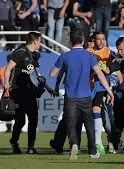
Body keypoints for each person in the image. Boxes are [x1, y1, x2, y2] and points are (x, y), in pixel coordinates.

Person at [49, 29, 114, 160]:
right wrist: (109, 90)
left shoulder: (65, 56)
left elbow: (52, 74)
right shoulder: (89, 56)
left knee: (71, 123)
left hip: (70, 96)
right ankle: (92, 151)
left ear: (70, 41)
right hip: (85, 95)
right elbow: (100, 74)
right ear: (83, 41)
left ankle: (74, 145)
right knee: (89, 123)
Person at [4, 32, 57, 154]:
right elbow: (8, 68)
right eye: (39, 41)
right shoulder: (20, 52)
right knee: (21, 121)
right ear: (35, 41)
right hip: (18, 91)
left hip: (30, 92)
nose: (40, 43)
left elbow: (36, 75)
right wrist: (6, 83)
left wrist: (49, 88)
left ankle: (31, 148)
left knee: (33, 119)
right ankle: (14, 141)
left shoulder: (33, 56)